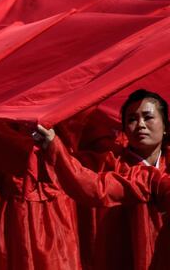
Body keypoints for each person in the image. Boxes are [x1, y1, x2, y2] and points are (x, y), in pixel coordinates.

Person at [34, 89, 170, 270]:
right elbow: (88, 183)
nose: (140, 125)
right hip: (121, 250)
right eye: (132, 119)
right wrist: (53, 145)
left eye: (148, 117)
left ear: (166, 127)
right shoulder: (110, 162)